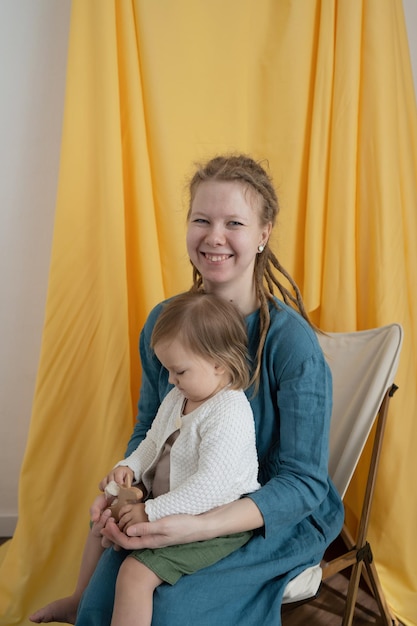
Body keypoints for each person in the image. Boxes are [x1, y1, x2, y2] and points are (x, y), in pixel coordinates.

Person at [31, 154, 344, 626]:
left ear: (263, 234)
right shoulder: (166, 322)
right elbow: (150, 428)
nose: (214, 236)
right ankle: (82, 601)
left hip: (270, 513)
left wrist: (194, 524)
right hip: (182, 495)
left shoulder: (289, 343)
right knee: (105, 599)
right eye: (202, 220)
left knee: (167, 606)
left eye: (233, 222)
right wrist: (128, 489)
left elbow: (302, 485)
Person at [31, 291, 260, 626]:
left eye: (179, 371)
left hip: (213, 521)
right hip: (167, 502)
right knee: (103, 521)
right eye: (167, 370)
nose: (170, 380)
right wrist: (129, 467)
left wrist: (150, 511)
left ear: (218, 364)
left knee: (135, 575)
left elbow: (209, 488)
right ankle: (78, 599)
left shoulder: (229, 412)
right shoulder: (179, 397)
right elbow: (152, 442)